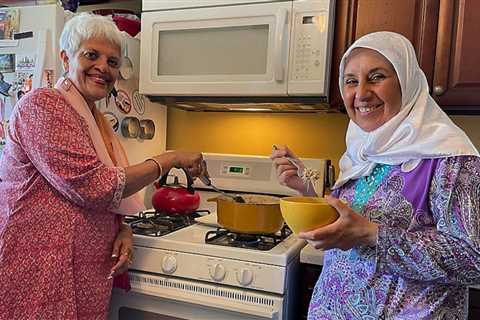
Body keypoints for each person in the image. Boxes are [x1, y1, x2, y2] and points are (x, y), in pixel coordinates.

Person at [0, 13, 207, 320]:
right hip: (40, 270)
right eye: (91, 55)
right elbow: (96, 187)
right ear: (65, 57)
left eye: (112, 62)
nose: (103, 68)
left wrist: (121, 226)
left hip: (82, 273)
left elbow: (101, 195)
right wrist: (170, 158)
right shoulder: (43, 105)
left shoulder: (93, 118)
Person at [271, 31, 480, 319]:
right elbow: (350, 222)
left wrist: (372, 235)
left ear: (406, 82)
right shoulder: (362, 149)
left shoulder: (451, 157)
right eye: (351, 81)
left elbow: (472, 258)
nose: (361, 93)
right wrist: (309, 192)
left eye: (377, 76)